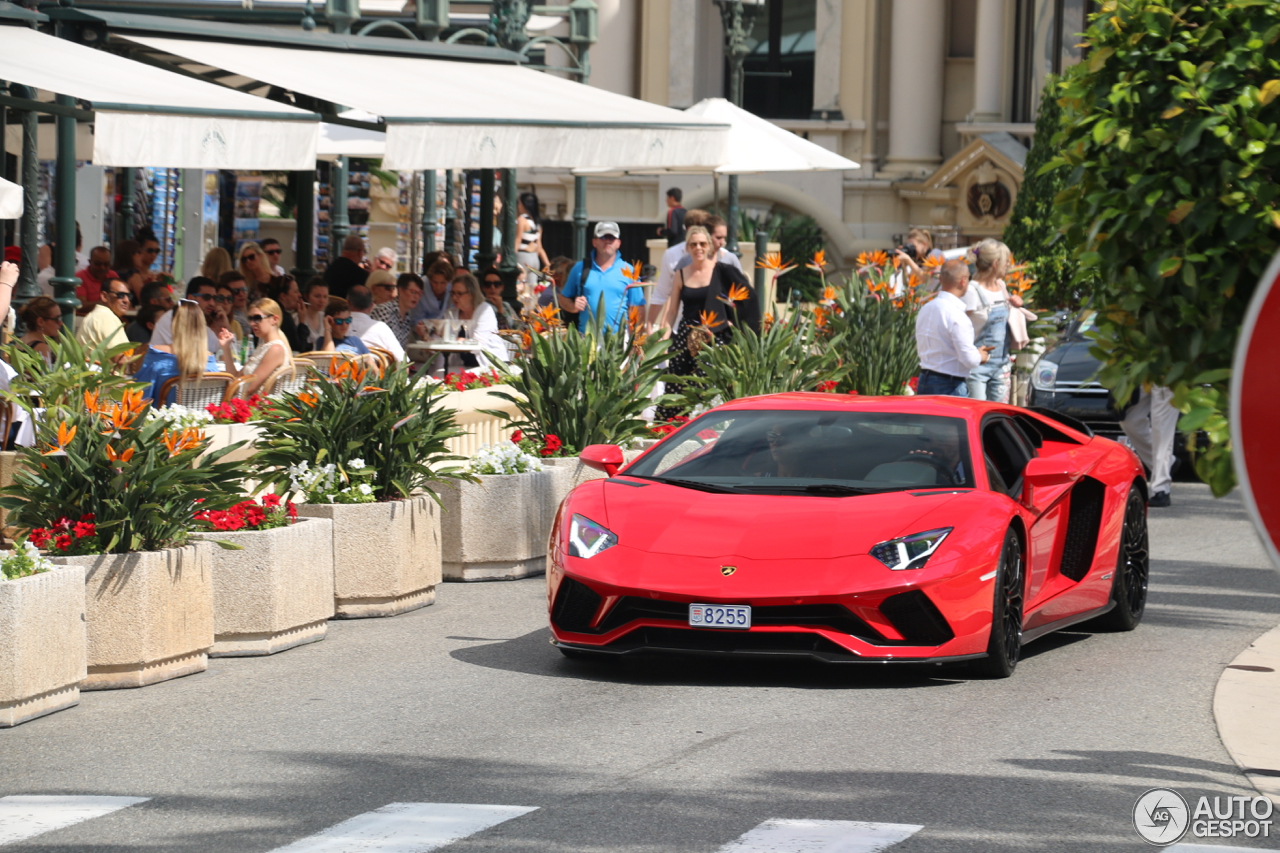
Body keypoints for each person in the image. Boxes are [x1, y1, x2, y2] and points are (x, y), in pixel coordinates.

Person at [656, 225, 758, 421]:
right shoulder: (681, 273)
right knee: (676, 386)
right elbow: (671, 311)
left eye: (702, 243)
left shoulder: (723, 272)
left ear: (710, 246)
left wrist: (734, 326)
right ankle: (668, 429)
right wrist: (662, 340)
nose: (698, 248)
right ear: (687, 247)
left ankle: (708, 429)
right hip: (686, 338)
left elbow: (748, 299)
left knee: (708, 387)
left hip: (714, 338)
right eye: (693, 244)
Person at [914, 260, 993, 396]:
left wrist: (975, 353)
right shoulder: (957, 315)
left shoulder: (926, 309)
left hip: (924, 380)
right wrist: (980, 356)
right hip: (949, 385)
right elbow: (970, 360)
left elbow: (944, 348)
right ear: (963, 281)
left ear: (940, 279)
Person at [559, 221, 645, 332]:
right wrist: (573, 307)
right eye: (603, 237)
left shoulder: (629, 271)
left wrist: (636, 340)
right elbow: (563, 298)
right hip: (586, 339)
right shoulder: (580, 268)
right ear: (594, 242)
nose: (607, 241)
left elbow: (638, 307)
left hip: (618, 340)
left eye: (612, 238)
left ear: (618, 243)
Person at [962, 239, 1019, 402]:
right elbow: (958, 327)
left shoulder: (1001, 286)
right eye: (1006, 261)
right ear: (996, 264)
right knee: (977, 414)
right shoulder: (972, 291)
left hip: (1001, 366)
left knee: (999, 416)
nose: (1008, 265)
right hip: (977, 367)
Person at [134, 301, 221, 406]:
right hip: (201, 421)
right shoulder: (210, 362)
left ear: (173, 323)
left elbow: (139, 396)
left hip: (163, 420)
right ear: (202, 326)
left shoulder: (157, 355)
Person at [649, 209, 708, 326]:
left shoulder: (720, 256)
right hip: (679, 325)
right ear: (688, 230)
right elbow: (663, 292)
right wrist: (650, 324)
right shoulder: (672, 254)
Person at [1121, 388, 1179, 507]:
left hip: (1167, 374)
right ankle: (1168, 464)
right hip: (1142, 372)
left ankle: (1161, 489)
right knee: (1129, 420)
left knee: (1162, 429)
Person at [224, 298, 292, 396]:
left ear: (274, 319)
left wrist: (227, 392)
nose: (252, 323)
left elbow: (249, 388)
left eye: (257, 318)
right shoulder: (264, 347)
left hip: (255, 408)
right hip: (244, 404)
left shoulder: (276, 349)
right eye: (250, 318)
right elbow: (235, 377)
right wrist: (226, 347)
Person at [441, 271, 507, 370]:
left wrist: (460, 341)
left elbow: (479, 343)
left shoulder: (484, 310)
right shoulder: (450, 314)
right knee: (438, 376)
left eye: (459, 293)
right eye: (453, 293)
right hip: (461, 365)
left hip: (490, 364)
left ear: (472, 294)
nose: (455, 297)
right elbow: (445, 339)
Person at [151, 277, 222, 353]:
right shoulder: (172, 318)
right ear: (191, 298)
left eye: (214, 298)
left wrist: (224, 325)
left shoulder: (198, 320)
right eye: (206, 297)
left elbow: (221, 350)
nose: (212, 303)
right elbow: (187, 355)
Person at [347, 285, 405, 362]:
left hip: (340, 372)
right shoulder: (380, 328)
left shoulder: (335, 325)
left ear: (348, 303)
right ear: (371, 306)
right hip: (374, 372)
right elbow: (402, 361)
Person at [76, 276, 131, 350]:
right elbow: (120, 358)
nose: (126, 300)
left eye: (129, 296)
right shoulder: (105, 317)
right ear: (104, 296)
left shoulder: (99, 315)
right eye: (120, 295)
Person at [373, 273, 424, 347]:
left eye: (419, 294)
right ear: (400, 290)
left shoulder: (407, 318)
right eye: (413, 292)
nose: (416, 297)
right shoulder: (384, 310)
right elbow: (376, 343)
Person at [263, 276, 310, 352]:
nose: (299, 295)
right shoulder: (284, 317)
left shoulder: (267, 312)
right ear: (283, 296)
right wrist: (302, 322)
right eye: (295, 292)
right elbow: (299, 347)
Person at [515, 192, 549, 291]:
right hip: (534, 259)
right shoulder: (537, 222)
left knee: (520, 289)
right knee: (532, 291)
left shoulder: (522, 220)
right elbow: (539, 246)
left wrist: (511, 257)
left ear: (522, 204)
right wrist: (547, 264)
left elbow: (518, 239)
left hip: (523, 257)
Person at [18, 297, 61, 362]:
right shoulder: (42, 348)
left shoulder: (21, 341)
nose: (61, 323)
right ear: (40, 322)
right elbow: (47, 372)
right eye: (57, 319)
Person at [75, 247, 117, 312]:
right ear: (90, 262)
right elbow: (80, 305)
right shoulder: (80, 277)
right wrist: (105, 303)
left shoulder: (113, 275)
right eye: (98, 264)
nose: (102, 267)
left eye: (106, 264)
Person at [297, 278, 329, 351]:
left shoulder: (325, 317)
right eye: (317, 296)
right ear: (306, 296)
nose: (322, 300)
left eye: (325, 297)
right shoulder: (298, 318)